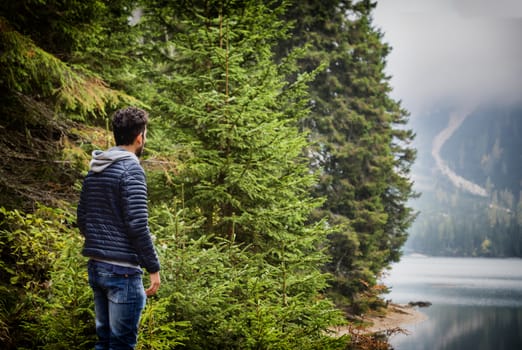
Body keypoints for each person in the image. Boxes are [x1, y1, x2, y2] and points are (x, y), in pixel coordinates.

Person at [77, 107, 161, 350]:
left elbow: (82, 217)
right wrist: (153, 267)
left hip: (97, 266)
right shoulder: (131, 170)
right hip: (122, 273)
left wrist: (101, 245)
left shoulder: (96, 168)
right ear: (139, 137)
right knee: (122, 346)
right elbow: (137, 224)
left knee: (104, 343)